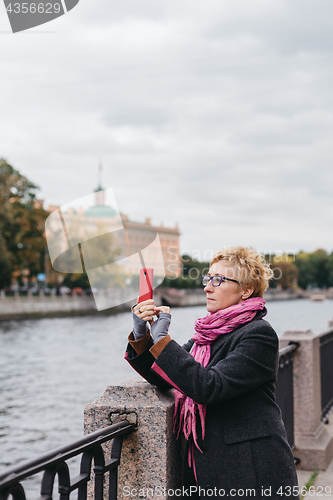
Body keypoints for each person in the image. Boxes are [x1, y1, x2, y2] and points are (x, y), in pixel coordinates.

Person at [125, 246, 299, 499]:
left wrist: (162, 339)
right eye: (208, 278)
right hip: (207, 464)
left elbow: (209, 387)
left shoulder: (258, 334)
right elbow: (166, 374)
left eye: (218, 280)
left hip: (252, 468)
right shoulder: (206, 336)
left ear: (246, 290)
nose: (207, 287)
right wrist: (143, 336)